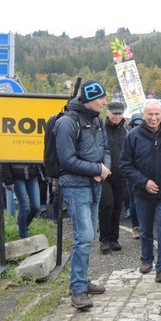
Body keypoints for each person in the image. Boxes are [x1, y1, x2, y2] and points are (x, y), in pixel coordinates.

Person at [56, 80, 111, 309]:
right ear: (88, 100)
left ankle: (82, 280)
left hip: (94, 185)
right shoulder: (67, 122)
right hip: (76, 186)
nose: (104, 102)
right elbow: (66, 160)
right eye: (100, 98)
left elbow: (105, 149)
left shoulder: (96, 120)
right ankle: (78, 289)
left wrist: (103, 170)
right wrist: (97, 169)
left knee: (91, 235)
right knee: (84, 237)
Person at [120, 100, 161, 284]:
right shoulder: (133, 136)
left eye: (157, 114)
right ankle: (146, 258)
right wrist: (143, 182)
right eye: (150, 114)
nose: (153, 117)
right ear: (143, 115)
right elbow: (125, 164)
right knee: (145, 228)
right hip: (142, 191)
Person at [99, 101, 128, 254]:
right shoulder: (101, 129)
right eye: (114, 113)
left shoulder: (125, 129)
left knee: (117, 207)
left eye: (119, 114)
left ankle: (114, 238)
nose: (117, 116)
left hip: (121, 174)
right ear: (108, 112)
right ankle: (104, 238)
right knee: (106, 205)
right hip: (104, 174)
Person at [1, 163, 44, 239]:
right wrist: (8, 181)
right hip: (17, 176)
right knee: (25, 207)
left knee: (36, 206)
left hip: (32, 174)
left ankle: (23, 227)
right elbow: (5, 162)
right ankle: (23, 236)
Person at [126, 112, 143, 239]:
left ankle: (144, 226)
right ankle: (135, 226)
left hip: (146, 174)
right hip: (132, 174)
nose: (138, 126)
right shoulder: (129, 136)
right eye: (136, 124)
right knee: (133, 201)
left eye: (140, 123)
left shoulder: (150, 136)